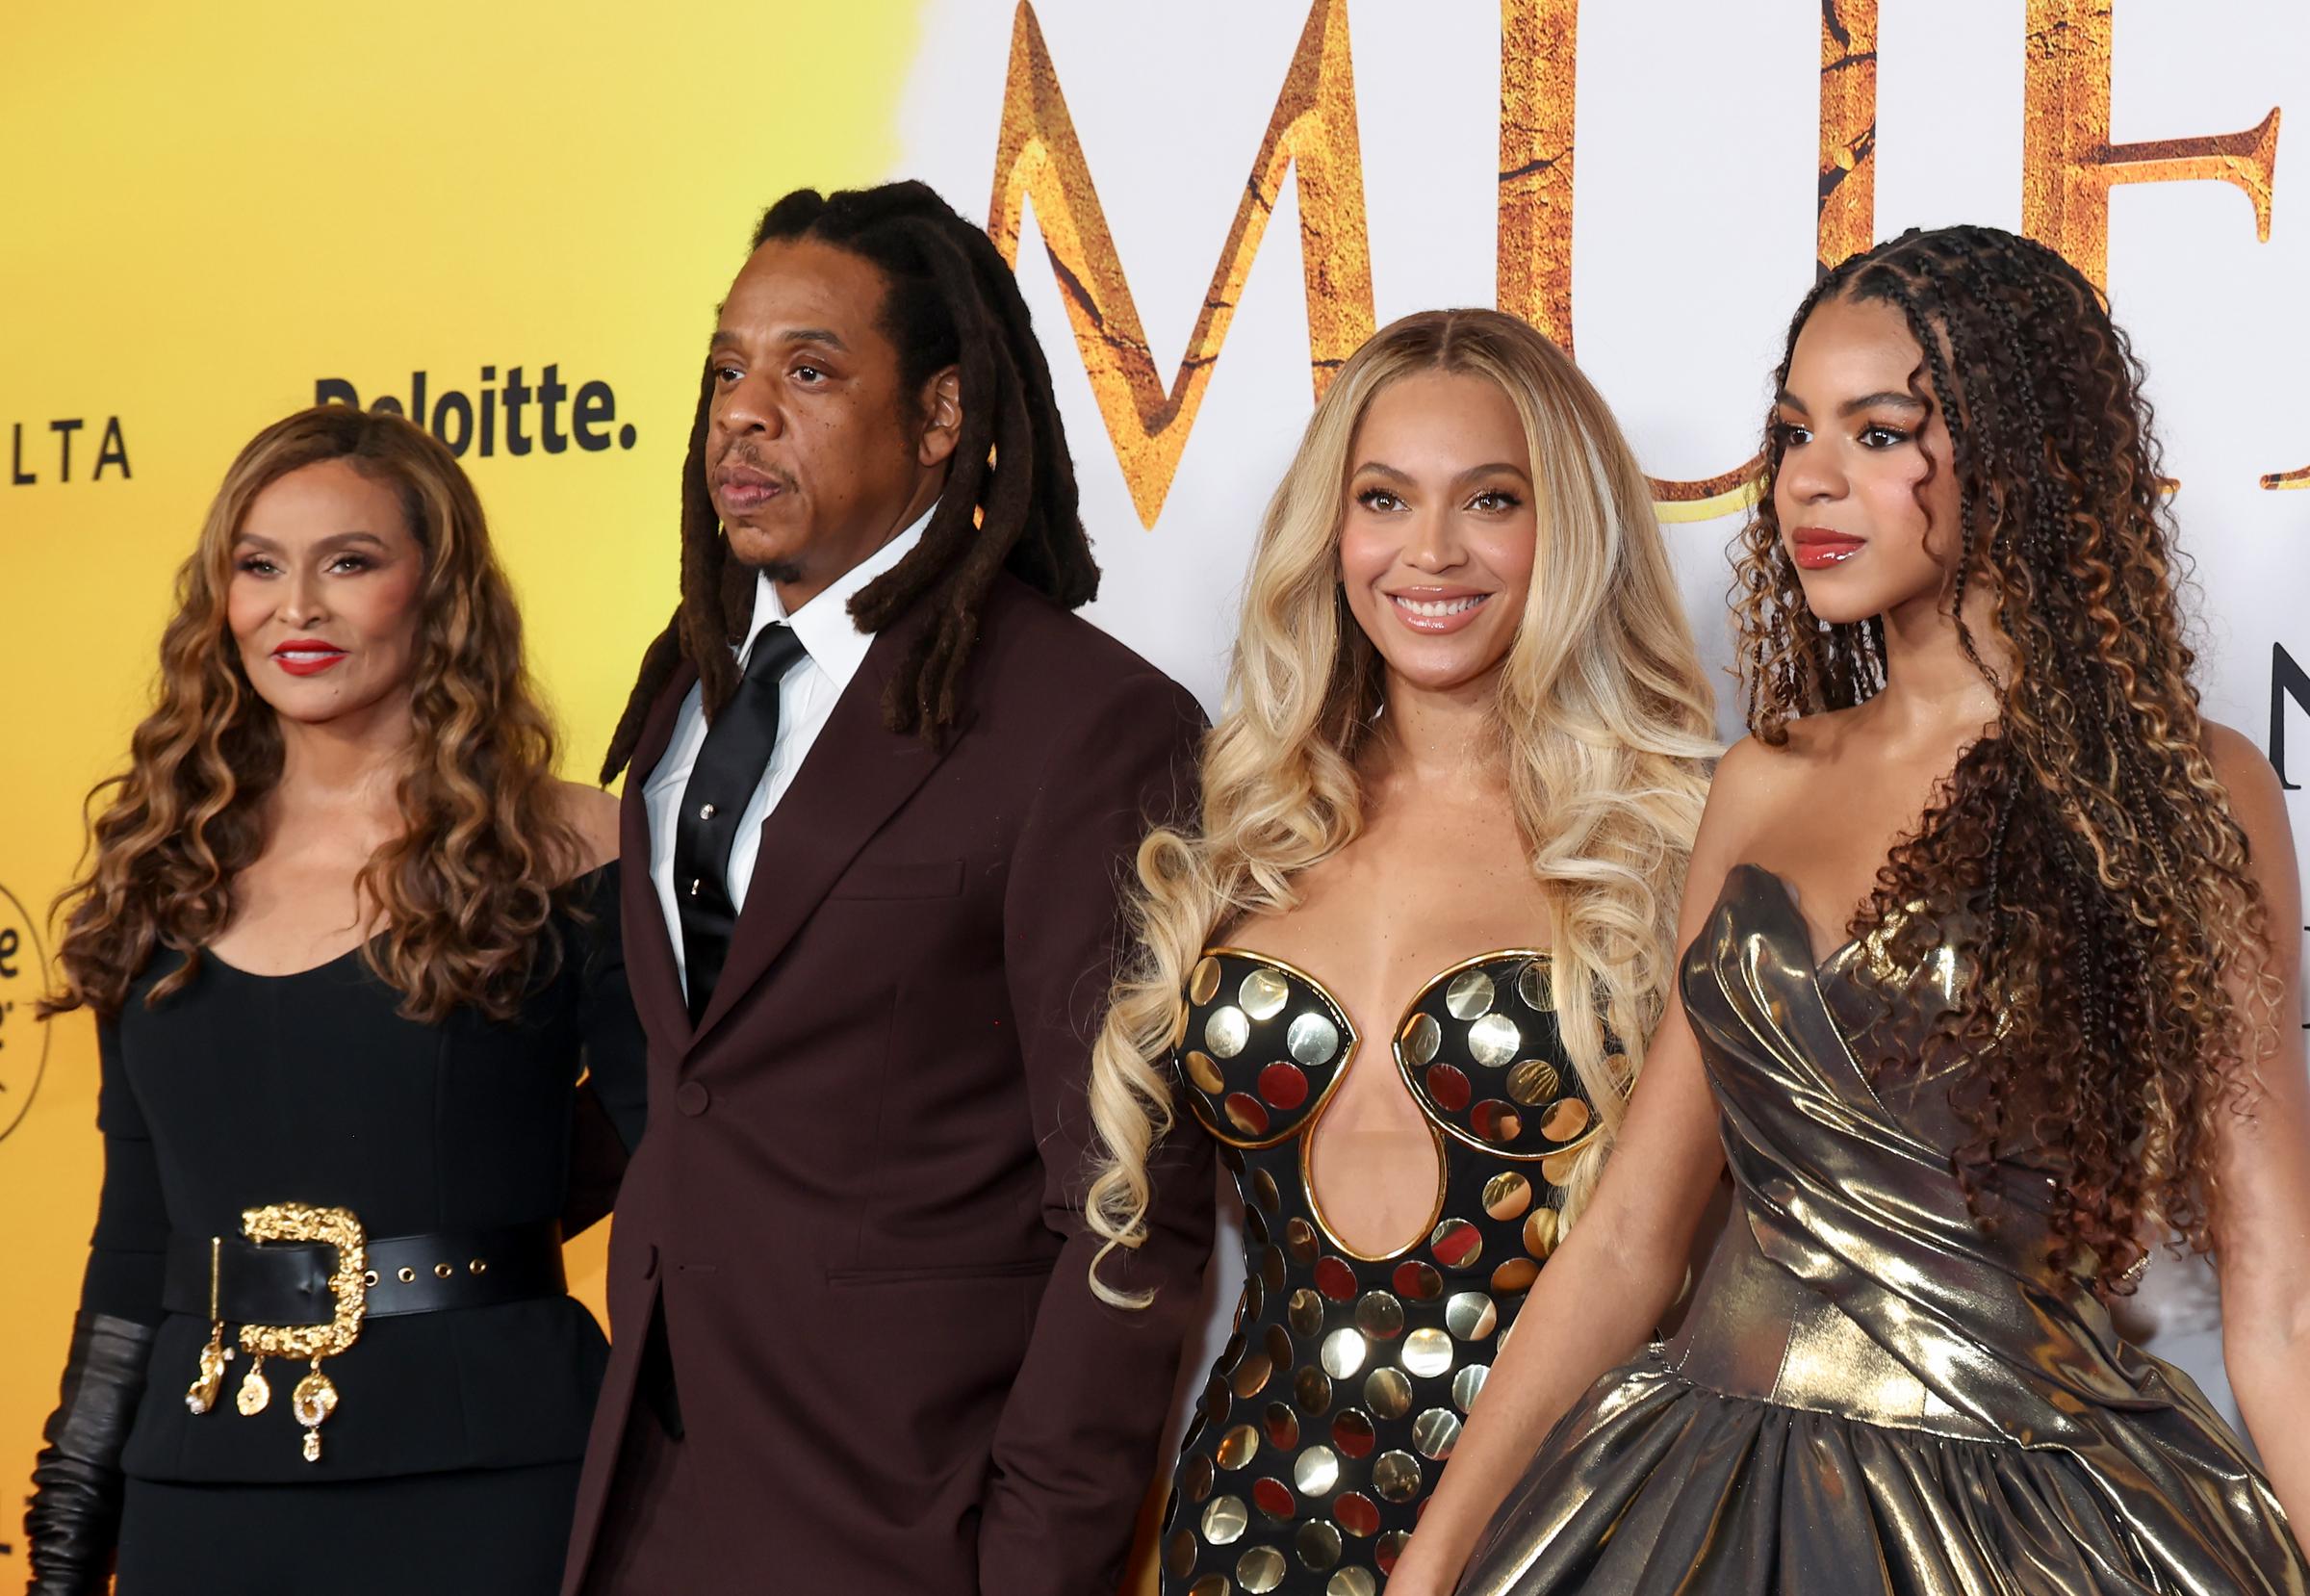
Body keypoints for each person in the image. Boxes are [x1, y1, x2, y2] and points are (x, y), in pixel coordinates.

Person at [1386, 223, 2310, 1596]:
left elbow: (2278, 1294)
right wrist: (1430, 1570)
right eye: (1793, 429)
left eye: (1878, 433)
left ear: (2023, 453)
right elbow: (1635, 1237)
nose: (1808, 480)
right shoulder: (1760, 781)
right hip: (1695, 1506)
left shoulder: (2185, 786)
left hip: (2031, 1526)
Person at [563, 180, 1213, 1596]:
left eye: (808, 370)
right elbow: (694, 1082)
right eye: (726, 368)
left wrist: (1035, 1569)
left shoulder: (1083, 726)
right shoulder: (692, 682)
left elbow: (1124, 1208)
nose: (742, 411)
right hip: (653, 1506)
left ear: (938, 416)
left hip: (909, 1528)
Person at [1083, 308, 1716, 1596]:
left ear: (1571, 529)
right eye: (1384, 498)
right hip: (1251, 1523)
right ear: (1333, 530)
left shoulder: (1672, 844)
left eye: (1491, 499)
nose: (1430, 551)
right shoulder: (1247, 832)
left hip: (1575, 1537)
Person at [22, 404, 645, 1596]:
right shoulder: (165, 867)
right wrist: (67, 1534)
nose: (294, 608)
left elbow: (687, 1173)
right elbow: (136, 1240)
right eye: (257, 566)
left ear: (439, 590)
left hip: (496, 1481)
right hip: (201, 1490)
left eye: (347, 562)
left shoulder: (571, 850)